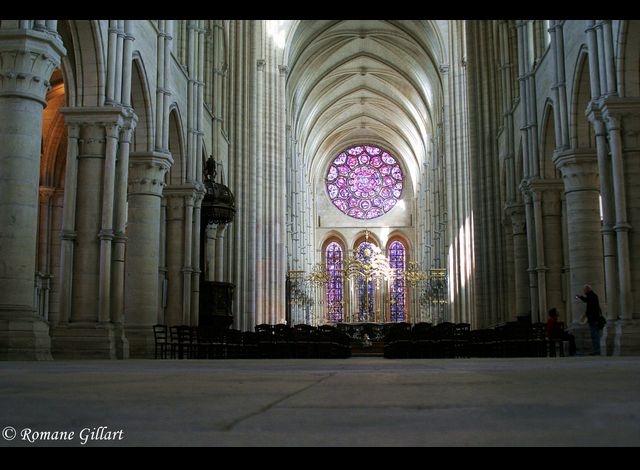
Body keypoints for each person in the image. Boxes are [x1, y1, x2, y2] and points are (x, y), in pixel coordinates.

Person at [576, 284, 602, 355]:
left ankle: (597, 351)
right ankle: (597, 350)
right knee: (595, 334)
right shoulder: (592, 296)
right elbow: (586, 300)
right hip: (594, 318)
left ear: (587, 290)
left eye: (584, 290)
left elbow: (590, 308)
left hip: (593, 319)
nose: (584, 291)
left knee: (595, 335)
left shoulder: (591, 296)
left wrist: (585, 315)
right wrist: (580, 297)